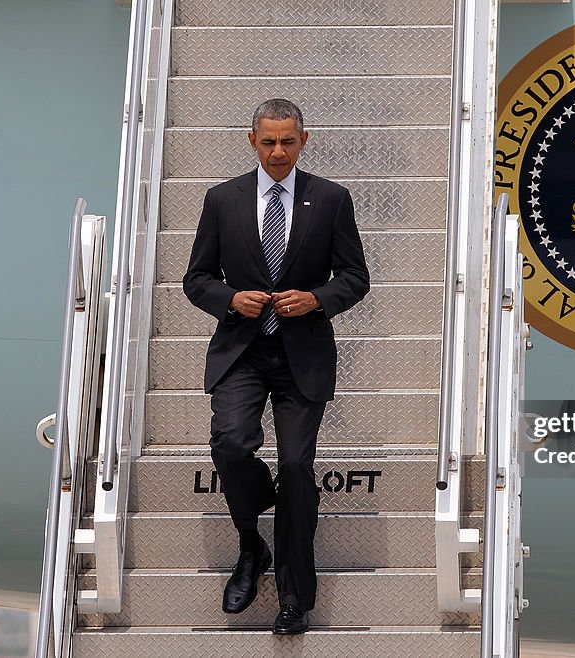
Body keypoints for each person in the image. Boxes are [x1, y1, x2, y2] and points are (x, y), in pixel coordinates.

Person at [182, 98, 369, 635]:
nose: (278, 151)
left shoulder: (331, 199)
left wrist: (316, 299)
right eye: (269, 141)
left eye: (288, 141)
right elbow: (197, 278)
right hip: (242, 350)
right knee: (232, 446)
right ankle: (250, 546)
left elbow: (355, 277)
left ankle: (295, 599)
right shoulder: (223, 200)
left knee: (294, 470)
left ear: (303, 141)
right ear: (252, 141)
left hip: (301, 355)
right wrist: (228, 298)